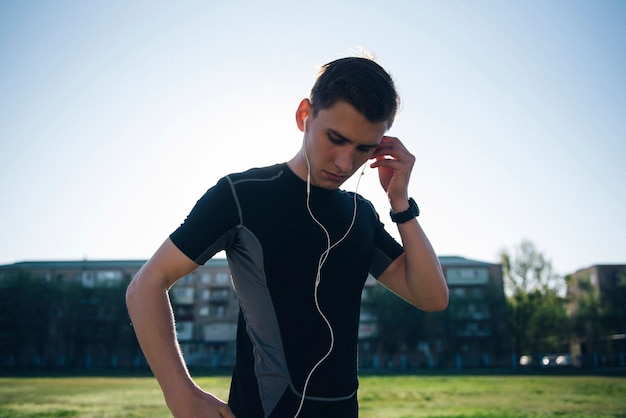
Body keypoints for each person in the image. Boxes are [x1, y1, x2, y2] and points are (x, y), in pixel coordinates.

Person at [126, 56, 449, 418]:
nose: (345, 163)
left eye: (363, 149)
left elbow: (431, 297)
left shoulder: (360, 215)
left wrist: (400, 202)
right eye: (336, 139)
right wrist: (181, 395)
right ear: (304, 116)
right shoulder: (242, 195)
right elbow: (145, 285)